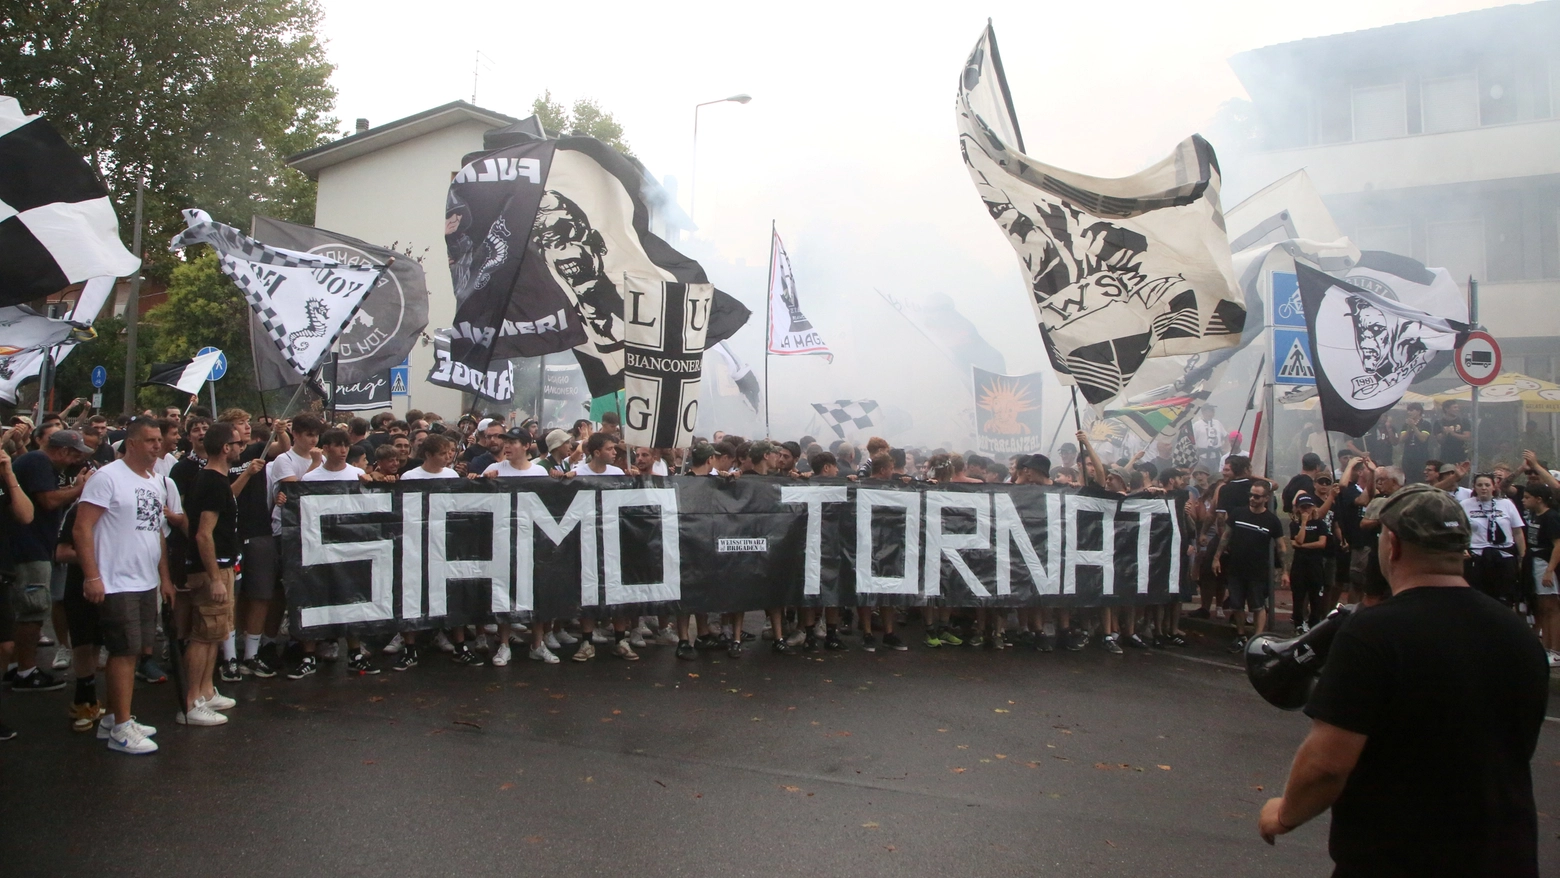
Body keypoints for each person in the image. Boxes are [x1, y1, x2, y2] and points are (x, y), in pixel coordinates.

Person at [1257, 484, 1548, 877]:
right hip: (1502, 853)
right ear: (1461, 548)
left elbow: (1327, 763)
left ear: (1391, 544)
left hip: (1396, 855)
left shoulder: (1371, 634)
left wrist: (1284, 814)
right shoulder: (1519, 636)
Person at [75, 418, 180, 755]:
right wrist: (92, 576)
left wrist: (164, 578)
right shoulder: (107, 478)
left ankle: (114, 718)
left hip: (145, 579)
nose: (157, 446)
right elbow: (82, 528)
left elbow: (156, 533)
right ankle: (121, 727)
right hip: (116, 579)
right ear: (132, 442)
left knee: (134, 651)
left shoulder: (155, 483)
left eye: (159, 440)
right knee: (123, 651)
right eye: (150, 440)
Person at [4, 430, 92, 692]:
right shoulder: (39, 462)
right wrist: (79, 489)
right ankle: (26, 671)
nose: (76, 459)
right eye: (75, 454)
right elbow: (48, 499)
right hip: (29, 550)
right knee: (32, 610)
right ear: (62, 451)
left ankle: (17, 666)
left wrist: (72, 487)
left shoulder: (37, 463)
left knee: (27, 610)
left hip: (31, 547)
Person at [176, 423, 241, 727]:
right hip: (209, 569)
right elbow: (203, 534)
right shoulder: (213, 482)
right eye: (238, 443)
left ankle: (206, 690)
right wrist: (214, 577)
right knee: (203, 635)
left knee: (216, 632)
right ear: (225, 448)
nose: (242, 448)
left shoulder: (215, 479)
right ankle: (191, 701)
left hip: (221, 565)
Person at [1213, 481, 1286, 651]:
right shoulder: (1238, 513)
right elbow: (1226, 536)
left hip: (1258, 570)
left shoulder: (1271, 520)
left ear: (1266, 498)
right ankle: (1240, 635)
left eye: (1257, 496)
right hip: (1236, 568)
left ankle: (1257, 639)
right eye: (1251, 495)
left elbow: (1281, 546)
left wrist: (1284, 571)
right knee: (1236, 604)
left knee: (1258, 605)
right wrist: (1216, 557)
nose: (1252, 499)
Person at [1461, 472, 1525, 606]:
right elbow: (1459, 530)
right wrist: (1462, 548)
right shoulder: (1465, 505)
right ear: (1474, 487)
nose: (1483, 488)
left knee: (1505, 598)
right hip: (1477, 555)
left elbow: (1517, 532)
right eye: (1479, 485)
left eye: (1487, 485)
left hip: (1504, 555)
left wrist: (1523, 557)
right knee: (1479, 598)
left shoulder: (1506, 504)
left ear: (1493, 487)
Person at [1520, 484, 1560, 666]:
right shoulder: (1535, 515)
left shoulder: (1551, 517)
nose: (1523, 500)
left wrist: (1549, 570)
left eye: (1527, 497)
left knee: (1551, 607)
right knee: (1542, 608)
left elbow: (1558, 545)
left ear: (1539, 499)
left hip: (1544, 563)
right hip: (1534, 562)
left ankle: (1556, 650)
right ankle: (1546, 646)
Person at [1288, 493, 1330, 632]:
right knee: (1298, 596)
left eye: (1309, 507)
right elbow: (1297, 540)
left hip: (1315, 565)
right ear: (1298, 509)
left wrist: (1303, 546)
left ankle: (1314, 623)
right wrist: (1304, 523)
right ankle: (1298, 623)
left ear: (1313, 507)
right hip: (1299, 565)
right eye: (1303, 507)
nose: (1306, 509)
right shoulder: (1294, 524)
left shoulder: (1320, 524)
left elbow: (1321, 543)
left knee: (1315, 597)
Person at [1434, 399, 1471, 463]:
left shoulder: (1464, 421)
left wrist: (1453, 434)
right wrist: (1444, 434)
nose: (1457, 409)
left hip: (1461, 455)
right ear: (1446, 409)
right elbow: (1439, 440)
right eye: (1455, 407)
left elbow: (1467, 437)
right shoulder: (1439, 423)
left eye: (1457, 407)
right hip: (1445, 455)